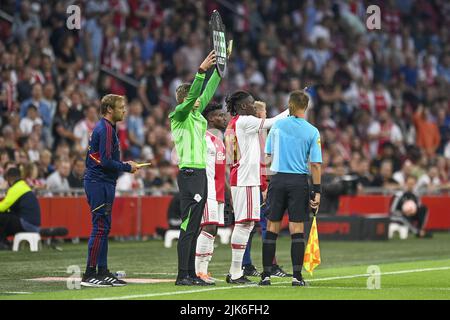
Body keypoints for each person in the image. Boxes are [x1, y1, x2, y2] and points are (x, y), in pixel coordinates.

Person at [225, 91, 289, 284]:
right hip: (246, 180)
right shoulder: (244, 121)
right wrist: (292, 108)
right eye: (251, 103)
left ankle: (235, 270)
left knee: (246, 224)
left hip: (243, 178)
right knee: (244, 224)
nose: (255, 106)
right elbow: (273, 122)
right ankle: (235, 272)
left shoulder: (235, 123)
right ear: (243, 106)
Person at [260, 90, 322, 287]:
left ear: (290, 105)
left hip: (278, 180)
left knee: (272, 227)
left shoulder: (277, 126)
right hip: (298, 182)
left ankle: (266, 275)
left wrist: (267, 184)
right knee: (297, 229)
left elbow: (267, 157)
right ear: (306, 106)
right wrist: (318, 190)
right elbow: (316, 165)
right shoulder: (312, 131)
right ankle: (297, 277)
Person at [170, 50, 220, 286]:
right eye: (193, 97)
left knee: (195, 225)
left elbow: (207, 92)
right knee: (188, 225)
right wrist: (200, 71)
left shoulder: (197, 117)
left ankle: (190, 274)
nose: (200, 99)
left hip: (200, 174)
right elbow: (193, 100)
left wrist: (219, 70)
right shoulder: (178, 115)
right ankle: (182, 275)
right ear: (184, 99)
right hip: (190, 173)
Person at [81, 94, 139, 287]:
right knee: (99, 227)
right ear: (109, 110)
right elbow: (105, 161)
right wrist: (126, 167)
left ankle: (103, 271)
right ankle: (89, 274)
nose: (124, 110)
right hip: (99, 182)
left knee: (104, 228)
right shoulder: (105, 128)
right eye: (121, 107)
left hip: (102, 182)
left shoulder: (107, 128)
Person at [242, 101, 291, 277]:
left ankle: (245, 264)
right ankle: (270, 265)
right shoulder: (257, 135)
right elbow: (261, 164)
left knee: (248, 225)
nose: (265, 116)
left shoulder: (250, 134)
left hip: (251, 183)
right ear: (258, 115)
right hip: (258, 184)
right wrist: (264, 186)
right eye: (264, 113)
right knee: (265, 225)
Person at [195, 102, 227, 284]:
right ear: (209, 118)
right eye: (220, 116)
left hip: (219, 191)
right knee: (208, 227)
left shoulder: (219, 140)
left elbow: (221, 170)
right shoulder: (204, 138)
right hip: (208, 190)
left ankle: (204, 270)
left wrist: (228, 192)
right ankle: (198, 271)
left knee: (213, 230)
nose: (224, 118)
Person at [0, 167, 41, 250]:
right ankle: (4, 242)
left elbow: (3, 207)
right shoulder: (24, 186)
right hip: (34, 225)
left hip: (26, 224)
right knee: (6, 217)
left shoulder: (15, 188)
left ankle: (3, 243)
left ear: (9, 178)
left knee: (2, 217)